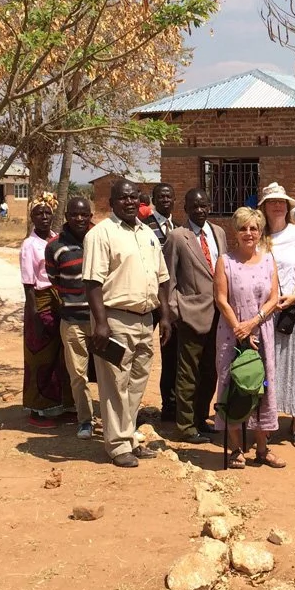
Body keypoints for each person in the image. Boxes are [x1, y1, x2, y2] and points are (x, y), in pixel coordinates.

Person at [83, 180, 172, 468]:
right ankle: (117, 444)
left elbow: (161, 278)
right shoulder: (101, 234)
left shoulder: (147, 233)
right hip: (116, 320)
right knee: (115, 384)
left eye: (134, 197)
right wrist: (100, 323)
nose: (130, 202)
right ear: (112, 202)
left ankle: (129, 437)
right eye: (123, 198)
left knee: (136, 384)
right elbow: (93, 282)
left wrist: (165, 316)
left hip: (146, 321)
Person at [213, 207, 283, 468]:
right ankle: (235, 449)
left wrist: (253, 323)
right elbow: (221, 298)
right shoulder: (225, 261)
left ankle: (263, 449)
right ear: (235, 231)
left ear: (260, 230)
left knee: (261, 388)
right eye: (243, 228)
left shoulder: (268, 260)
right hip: (231, 334)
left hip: (262, 331)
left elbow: (274, 297)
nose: (248, 233)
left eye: (253, 228)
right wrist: (239, 329)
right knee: (233, 387)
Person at [164, 188, 228, 443]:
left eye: (203, 205)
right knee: (187, 373)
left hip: (218, 314)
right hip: (190, 314)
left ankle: (202, 418)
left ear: (210, 206)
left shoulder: (219, 233)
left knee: (211, 371)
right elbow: (168, 278)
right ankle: (185, 426)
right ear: (186, 209)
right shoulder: (177, 237)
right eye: (194, 206)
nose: (199, 210)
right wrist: (172, 313)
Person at [258, 182, 295, 447]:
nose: (278, 205)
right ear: (264, 207)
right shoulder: (258, 236)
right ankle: (268, 423)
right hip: (267, 311)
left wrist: (294, 294)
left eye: (282, 201)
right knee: (269, 366)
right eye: (272, 202)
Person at [45, 196, 96, 439]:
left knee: (109, 374)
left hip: (102, 321)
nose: (79, 219)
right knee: (78, 375)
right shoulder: (55, 247)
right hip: (73, 321)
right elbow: (54, 280)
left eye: (84, 214)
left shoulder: (100, 239)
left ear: (90, 216)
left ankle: (112, 419)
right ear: (66, 217)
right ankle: (85, 420)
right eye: (74, 214)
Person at [20, 193, 71, 427]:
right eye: (38, 213)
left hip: (58, 299)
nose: (43, 217)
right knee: (40, 357)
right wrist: (35, 316)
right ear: (32, 216)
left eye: (47, 213)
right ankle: (37, 410)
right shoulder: (29, 245)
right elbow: (28, 284)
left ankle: (59, 405)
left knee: (60, 356)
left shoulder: (55, 240)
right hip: (39, 302)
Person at [143, 183, 180, 426]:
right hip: (148, 299)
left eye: (169, 195)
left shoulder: (177, 228)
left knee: (171, 355)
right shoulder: (145, 227)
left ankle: (169, 406)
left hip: (170, 301)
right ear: (154, 200)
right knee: (141, 354)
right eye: (160, 196)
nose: (165, 200)